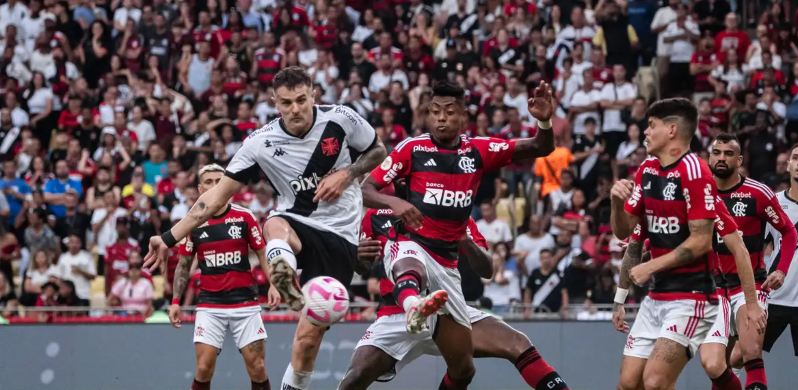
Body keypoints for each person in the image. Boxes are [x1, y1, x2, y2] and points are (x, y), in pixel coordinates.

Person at [144, 67, 387, 390]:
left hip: (340, 235)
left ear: (313, 94)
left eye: (301, 100)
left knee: (306, 342)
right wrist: (167, 238)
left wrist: (347, 174)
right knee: (274, 222)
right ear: (275, 102)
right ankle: (282, 269)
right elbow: (215, 199)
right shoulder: (260, 142)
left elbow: (378, 151)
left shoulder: (341, 119)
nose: (295, 109)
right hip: (296, 224)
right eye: (286, 103)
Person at [360, 79, 562, 390]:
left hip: (447, 276)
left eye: (449, 112)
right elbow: (367, 189)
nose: (441, 118)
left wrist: (545, 121)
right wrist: (396, 202)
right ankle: (414, 303)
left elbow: (541, 147)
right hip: (401, 291)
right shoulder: (411, 150)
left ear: (463, 117)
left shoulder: (479, 151)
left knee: (474, 365)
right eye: (435, 111)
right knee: (409, 254)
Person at [340, 204, 565, 390]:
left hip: (446, 310)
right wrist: (358, 256)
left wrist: (466, 240)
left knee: (516, 344)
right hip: (395, 315)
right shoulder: (378, 214)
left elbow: (487, 270)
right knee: (354, 378)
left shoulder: (455, 211)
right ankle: (413, 305)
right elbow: (362, 267)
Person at [609, 98, 752, 390]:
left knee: (656, 381)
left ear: (672, 130)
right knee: (627, 384)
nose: (645, 133)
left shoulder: (696, 173)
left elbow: (701, 242)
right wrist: (615, 202)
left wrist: (652, 265)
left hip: (694, 296)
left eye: (651, 126)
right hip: (656, 297)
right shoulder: (647, 170)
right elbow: (626, 233)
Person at [165, 164, 280, 390]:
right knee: (203, 368)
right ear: (200, 188)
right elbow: (184, 264)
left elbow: (262, 252)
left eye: (220, 181)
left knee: (257, 368)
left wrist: (274, 284)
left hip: (245, 303)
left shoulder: (244, 216)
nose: (215, 186)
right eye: (209, 182)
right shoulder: (193, 222)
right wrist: (176, 302)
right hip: (210, 304)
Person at [699, 134, 793, 390]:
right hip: (712, 289)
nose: (721, 158)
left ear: (739, 160)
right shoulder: (698, 194)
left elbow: (789, 232)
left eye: (728, 154)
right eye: (716, 152)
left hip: (749, 286)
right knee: (716, 366)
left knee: (750, 351)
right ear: (709, 157)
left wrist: (782, 270)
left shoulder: (757, 193)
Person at [757, 143, 798, 359]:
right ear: (788, 165)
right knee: (746, 353)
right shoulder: (774, 202)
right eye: (796, 158)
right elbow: (758, 246)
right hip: (774, 296)